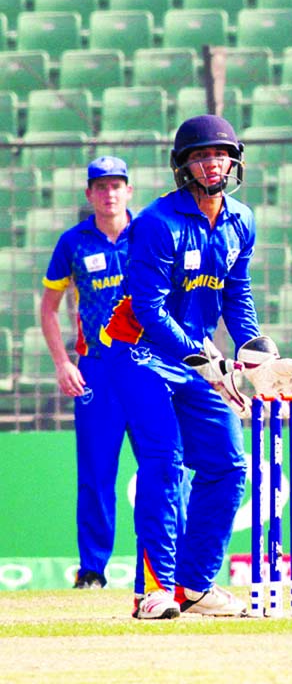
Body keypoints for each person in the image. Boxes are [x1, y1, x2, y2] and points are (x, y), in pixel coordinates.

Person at [100, 115, 292, 619]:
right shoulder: (157, 223)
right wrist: (206, 359)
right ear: (184, 166)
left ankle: (194, 587)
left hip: (194, 356)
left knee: (227, 466)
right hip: (136, 353)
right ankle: (152, 591)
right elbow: (150, 309)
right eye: (201, 156)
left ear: (234, 160)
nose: (212, 163)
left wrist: (256, 349)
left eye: (219, 154)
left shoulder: (242, 219)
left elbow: (235, 294)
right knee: (164, 463)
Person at [40, 157, 135, 589]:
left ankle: (169, 565)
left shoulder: (149, 234)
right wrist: (63, 361)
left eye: (117, 185)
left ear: (129, 191)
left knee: (167, 467)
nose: (109, 194)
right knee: (96, 474)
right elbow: (48, 308)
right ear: (89, 194)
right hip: (96, 368)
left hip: (150, 367)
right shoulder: (73, 242)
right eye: (101, 186)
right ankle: (93, 570)